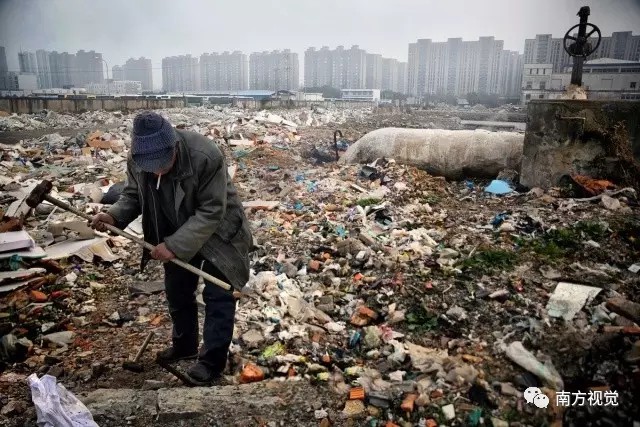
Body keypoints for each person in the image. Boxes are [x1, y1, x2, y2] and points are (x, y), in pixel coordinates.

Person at [90, 111, 252, 384]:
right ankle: (185, 346)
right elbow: (133, 195)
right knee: (177, 291)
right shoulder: (138, 160)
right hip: (175, 230)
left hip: (220, 233)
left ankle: (211, 363)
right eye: (151, 167)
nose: (157, 171)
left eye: (162, 164)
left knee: (219, 297)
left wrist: (175, 245)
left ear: (174, 146)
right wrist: (113, 216)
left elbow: (212, 210)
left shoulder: (205, 155)